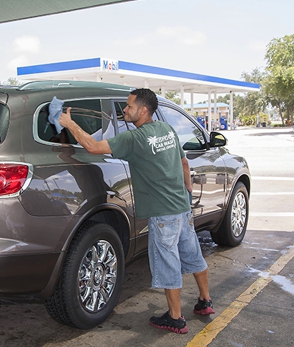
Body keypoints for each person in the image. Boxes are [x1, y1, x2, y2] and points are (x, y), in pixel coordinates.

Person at [58, 88, 214, 334]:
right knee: (192, 254)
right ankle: (205, 302)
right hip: (182, 207)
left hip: (163, 215)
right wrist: (187, 191)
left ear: (143, 110)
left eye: (129, 106)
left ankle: (175, 318)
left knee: (168, 263)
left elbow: (92, 146)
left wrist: (69, 123)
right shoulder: (167, 130)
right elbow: (184, 162)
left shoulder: (135, 139)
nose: (125, 110)